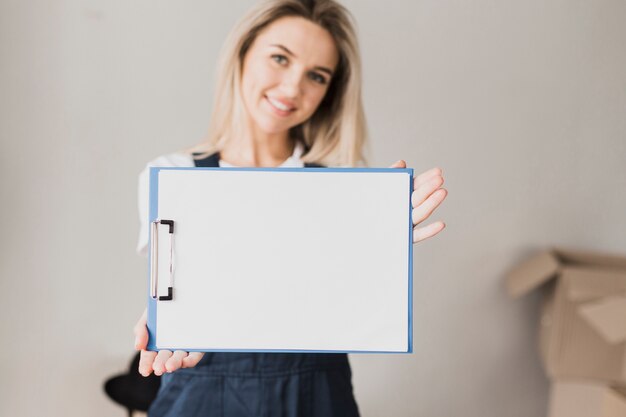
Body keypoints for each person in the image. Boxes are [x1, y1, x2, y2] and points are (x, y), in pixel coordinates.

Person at [133, 0, 448, 415]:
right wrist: (163, 319)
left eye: (316, 76)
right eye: (280, 58)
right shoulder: (169, 176)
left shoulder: (343, 188)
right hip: (200, 393)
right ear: (242, 53)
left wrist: (373, 255)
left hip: (316, 395)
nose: (293, 87)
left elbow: (346, 306)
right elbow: (173, 288)